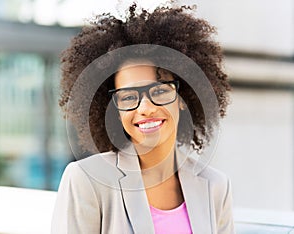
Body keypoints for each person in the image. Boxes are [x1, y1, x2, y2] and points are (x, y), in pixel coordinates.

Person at [51, 3, 234, 234]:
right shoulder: (86, 180)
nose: (145, 108)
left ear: (182, 96)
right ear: (114, 109)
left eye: (159, 91)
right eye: (128, 97)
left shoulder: (216, 186)